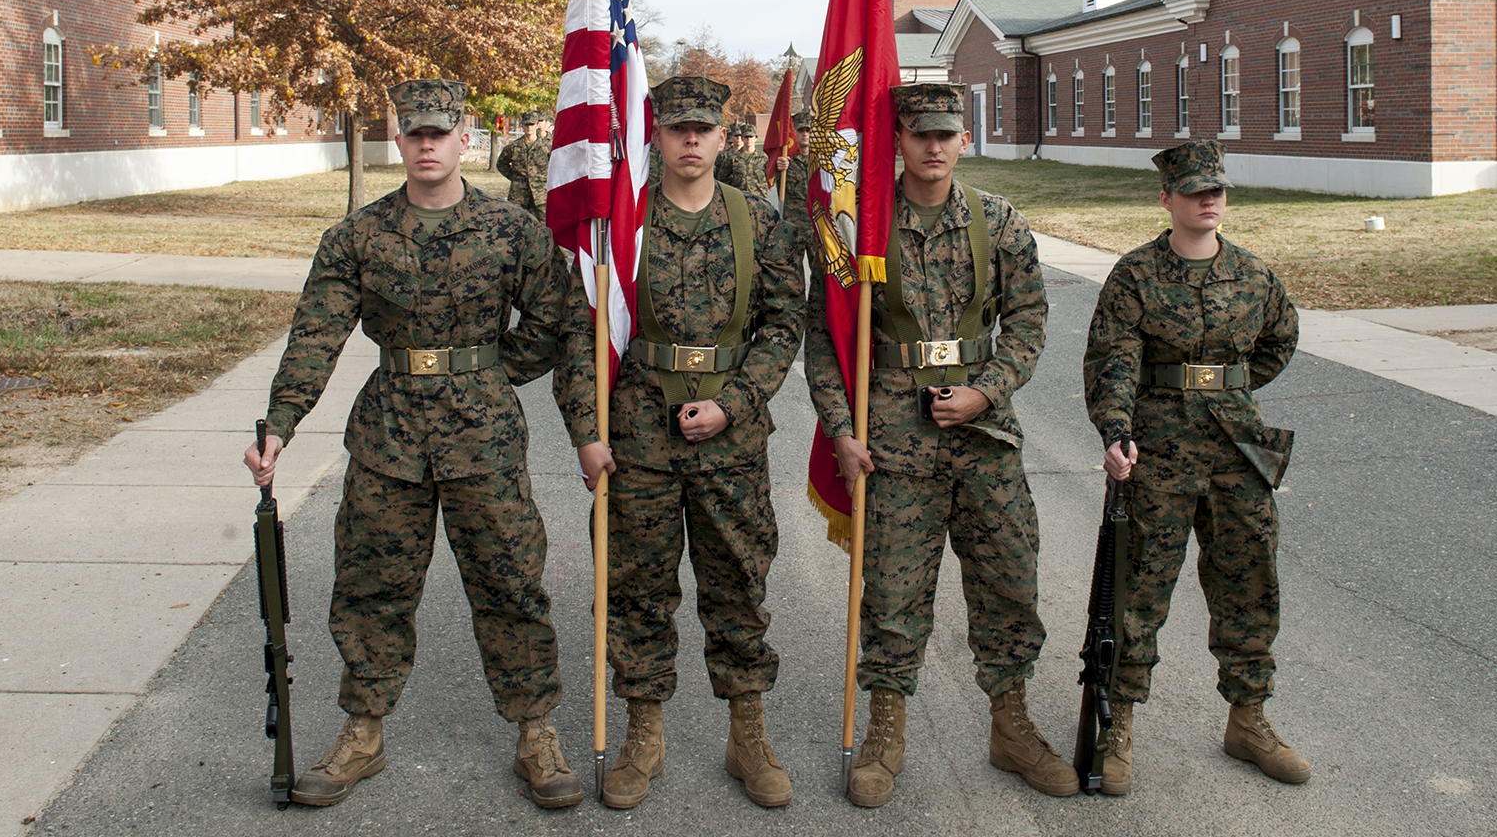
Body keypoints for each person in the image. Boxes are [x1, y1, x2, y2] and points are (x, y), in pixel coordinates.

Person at [244, 79, 584, 811]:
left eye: (440, 133)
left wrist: (492, 374)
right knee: (370, 588)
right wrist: (280, 425)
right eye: (415, 134)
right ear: (399, 142)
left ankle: (535, 731)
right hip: (389, 436)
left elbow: (559, 317)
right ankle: (363, 732)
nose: (427, 146)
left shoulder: (510, 230)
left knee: (511, 584)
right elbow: (316, 336)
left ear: (466, 139)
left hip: (483, 439)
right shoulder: (356, 237)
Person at [805, 82, 1066, 808]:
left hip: (984, 438)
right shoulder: (862, 226)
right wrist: (841, 430)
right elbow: (824, 342)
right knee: (892, 594)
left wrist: (989, 390)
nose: (934, 147)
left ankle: (1010, 725)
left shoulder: (997, 221)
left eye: (946, 134)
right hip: (893, 440)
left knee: (1010, 582)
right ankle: (886, 732)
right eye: (921, 135)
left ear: (964, 139)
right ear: (901, 140)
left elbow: (1029, 322)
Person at [555, 75, 806, 811]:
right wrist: (586, 433)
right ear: (656, 137)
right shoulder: (619, 225)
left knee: (737, 584)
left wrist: (735, 403)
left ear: (726, 138)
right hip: (636, 432)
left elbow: (783, 324)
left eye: (704, 128)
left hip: (731, 437)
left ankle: (747, 733)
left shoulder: (759, 223)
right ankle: (643, 731)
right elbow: (585, 335)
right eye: (677, 129)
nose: (691, 140)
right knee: (635, 587)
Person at [1081, 139, 1304, 796]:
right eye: (1196, 191)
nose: (1210, 200)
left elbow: (1279, 340)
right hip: (1159, 452)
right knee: (1139, 589)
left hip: (1236, 448)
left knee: (1250, 581)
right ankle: (1117, 726)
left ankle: (1249, 718)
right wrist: (1118, 430)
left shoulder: (1254, 275)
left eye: (1218, 190)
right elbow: (1112, 360)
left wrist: (1226, 386)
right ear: (1168, 199)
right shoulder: (1135, 275)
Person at [496, 110, 553, 220]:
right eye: (526, 124)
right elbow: (501, 164)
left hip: (540, 196)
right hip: (519, 195)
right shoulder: (514, 147)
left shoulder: (546, 146)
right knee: (516, 225)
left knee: (543, 227)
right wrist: (515, 177)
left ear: (537, 125)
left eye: (532, 124)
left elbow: (555, 167)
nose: (529, 127)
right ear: (522, 125)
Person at [717, 121, 769, 194]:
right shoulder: (733, 157)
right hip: (739, 197)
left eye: (751, 137)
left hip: (759, 197)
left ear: (756, 138)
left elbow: (771, 179)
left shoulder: (763, 158)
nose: (748, 139)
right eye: (746, 137)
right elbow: (722, 178)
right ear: (742, 138)